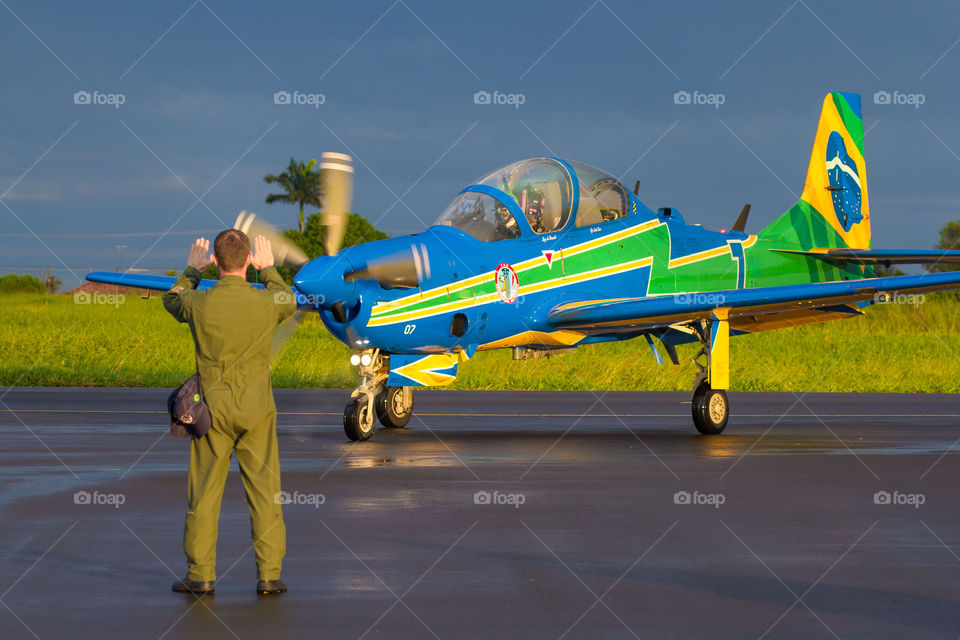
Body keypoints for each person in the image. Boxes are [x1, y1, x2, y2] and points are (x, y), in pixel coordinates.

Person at [162, 230, 297, 596]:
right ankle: (269, 575)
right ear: (249, 260)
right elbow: (289, 301)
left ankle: (200, 574)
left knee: (204, 494)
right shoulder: (267, 302)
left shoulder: (197, 303)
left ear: (216, 262)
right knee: (266, 492)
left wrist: (192, 269)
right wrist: (269, 271)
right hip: (256, 410)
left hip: (211, 412)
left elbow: (171, 299)